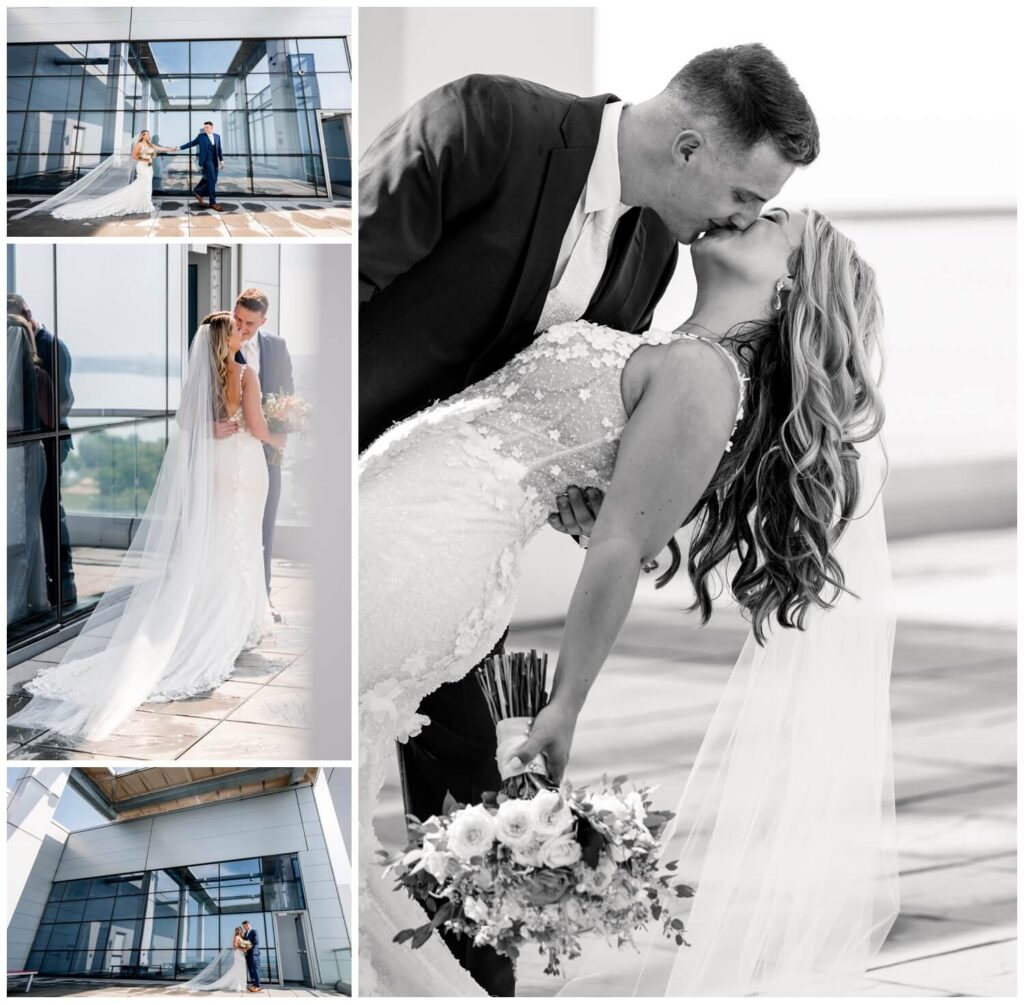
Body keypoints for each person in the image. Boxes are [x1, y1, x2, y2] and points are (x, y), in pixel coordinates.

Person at [359, 42, 819, 996]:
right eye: (743, 193)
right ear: (690, 146)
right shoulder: (488, 120)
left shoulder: (655, 251)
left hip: (445, 545)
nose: (740, 217)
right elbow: (341, 272)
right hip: (355, 484)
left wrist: (575, 488)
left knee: (450, 776)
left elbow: (589, 451)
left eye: (759, 212)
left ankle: (474, 982)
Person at [8, 312, 287, 741]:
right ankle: (232, 619)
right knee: (241, 541)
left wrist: (216, 428)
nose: (241, 333)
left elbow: (188, 424)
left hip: (216, 471)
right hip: (244, 468)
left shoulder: (203, 378)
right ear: (226, 338)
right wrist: (285, 435)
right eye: (236, 328)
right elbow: (256, 425)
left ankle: (221, 610)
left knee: (218, 541)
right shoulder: (243, 373)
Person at [216, 288, 294, 608]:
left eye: (250, 322)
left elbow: (288, 395)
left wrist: (282, 428)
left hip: (265, 455)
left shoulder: (276, 347)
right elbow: (198, 401)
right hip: (227, 453)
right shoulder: (217, 342)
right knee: (225, 527)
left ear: (264, 321)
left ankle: (262, 599)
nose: (243, 327)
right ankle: (223, 600)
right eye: (238, 319)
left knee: (264, 529)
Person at [8, 293, 77, 608]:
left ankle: (62, 581)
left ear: (27, 314)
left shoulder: (52, 346)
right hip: (22, 446)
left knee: (51, 512)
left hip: (47, 443)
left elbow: (61, 404)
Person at [48, 129, 174, 220]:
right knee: (142, 184)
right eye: (146, 134)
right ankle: (140, 203)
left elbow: (160, 149)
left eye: (148, 134)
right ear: (142, 136)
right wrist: (145, 158)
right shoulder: (139, 145)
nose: (147, 136)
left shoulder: (150, 145)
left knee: (147, 186)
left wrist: (171, 149)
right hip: (142, 167)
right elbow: (134, 156)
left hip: (149, 169)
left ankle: (145, 203)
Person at [179, 926, 250, 992]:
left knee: (241, 969)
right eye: (237, 930)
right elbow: (234, 946)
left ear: (241, 931)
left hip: (241, 954)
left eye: (239, 930)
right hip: (238, 953)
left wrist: (245, 948)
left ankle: (241, 984)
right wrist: (242, 948)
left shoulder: (241, 937)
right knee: (237, 968)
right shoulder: (237, 937)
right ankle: (237, 985)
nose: (238, 931)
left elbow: (241, 944)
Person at [179, 121, 225, 211]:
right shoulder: (201, 137)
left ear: (212, 128)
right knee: (211, 181)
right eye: (204, 128)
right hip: (207, 161)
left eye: (207, 127)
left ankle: (200, 193)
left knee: (214, 181)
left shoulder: (217, 136)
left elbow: (219, 149)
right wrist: (179, 148)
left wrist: (222, 160)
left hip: (215, 161)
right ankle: (213, 203)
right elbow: (191, 143)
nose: (205, 129)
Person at [241, 920, 262, 992]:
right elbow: (244, 942)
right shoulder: (246, 933)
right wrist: (243, 947)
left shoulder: (254, 931)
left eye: (244, 926)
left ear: (247, 925)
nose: (243, 928)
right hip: (247, 954)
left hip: (254, 953)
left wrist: (246, 947)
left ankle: (258, 985)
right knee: (251, 969)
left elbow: (255, 943)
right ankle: (253, 984)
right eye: (243, 927)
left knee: (255, 969)